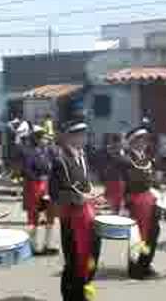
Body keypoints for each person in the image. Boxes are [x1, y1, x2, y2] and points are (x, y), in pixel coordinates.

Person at [52, 119, 102, 301]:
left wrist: (93, 195)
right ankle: (71, 297)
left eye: (85, 135)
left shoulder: (82, 156)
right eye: (80, 136)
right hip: (72, 219)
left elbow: (84, 185)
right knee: (73, 261)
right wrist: (79, 198)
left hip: (86, 215)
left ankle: (82, 293)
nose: (84, 139)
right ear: (69, 138)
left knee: (89, 257)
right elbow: (55, 193)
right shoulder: (61, 160)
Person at [119, 126, 165, 280]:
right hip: (136, 200)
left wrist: (157, 185)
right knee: (138, 236)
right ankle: (135, 268)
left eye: (145, 139)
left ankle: (145, 264)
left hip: (150, 200)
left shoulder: (146, 158)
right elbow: (132, 181)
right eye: (140, 139)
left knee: (152, 233)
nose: (144, 142)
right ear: (133, 142)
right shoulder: (127, 159)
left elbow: (152, 178)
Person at [22, 128, 59, 255]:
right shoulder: (30, 153)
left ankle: (48, 244)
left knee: (50, 215)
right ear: (37, 139)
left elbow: (55, 166)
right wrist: (38, 178)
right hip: (34, 186)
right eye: (44, 138)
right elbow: (26, 170)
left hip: (48, 186)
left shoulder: (49, 151)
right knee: (36, 216)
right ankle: (34, 245)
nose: (46, 140)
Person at [100, 133, 126, 213]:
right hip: (113, 180)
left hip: (120, 181)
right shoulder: (109, 153)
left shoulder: (123, 152)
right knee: (111, 203)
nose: (123, 143)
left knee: (118, 203)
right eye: (122, 141)